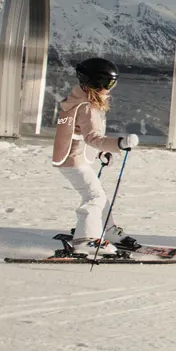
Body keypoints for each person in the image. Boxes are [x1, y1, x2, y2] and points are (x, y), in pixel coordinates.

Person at [51, 58, 140, 255]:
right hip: (73, 160)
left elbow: (81, 133)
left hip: (73, 156)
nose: (110, 88)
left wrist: (102, 151)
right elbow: (93, 137)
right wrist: (119, 144)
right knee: (94, 196)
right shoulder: (87, 107)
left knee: (99, 196)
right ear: (96, 83)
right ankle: (86, 239)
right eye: (109, 84)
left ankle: (107, 230)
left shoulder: (78, 100)